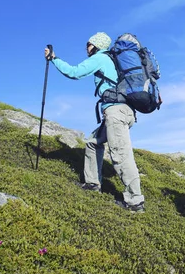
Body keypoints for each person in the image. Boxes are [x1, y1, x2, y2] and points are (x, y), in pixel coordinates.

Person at [45, 32, 145, 213]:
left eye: (88, 44)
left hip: (116, 112)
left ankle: (135, 201)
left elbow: (74, 73)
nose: (86, 48)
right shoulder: (113, 60)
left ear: (97, 45)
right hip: (124, 111)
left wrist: (54, 58)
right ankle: (92, 183)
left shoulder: (100, 58)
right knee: (93, 143)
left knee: (121, 154)